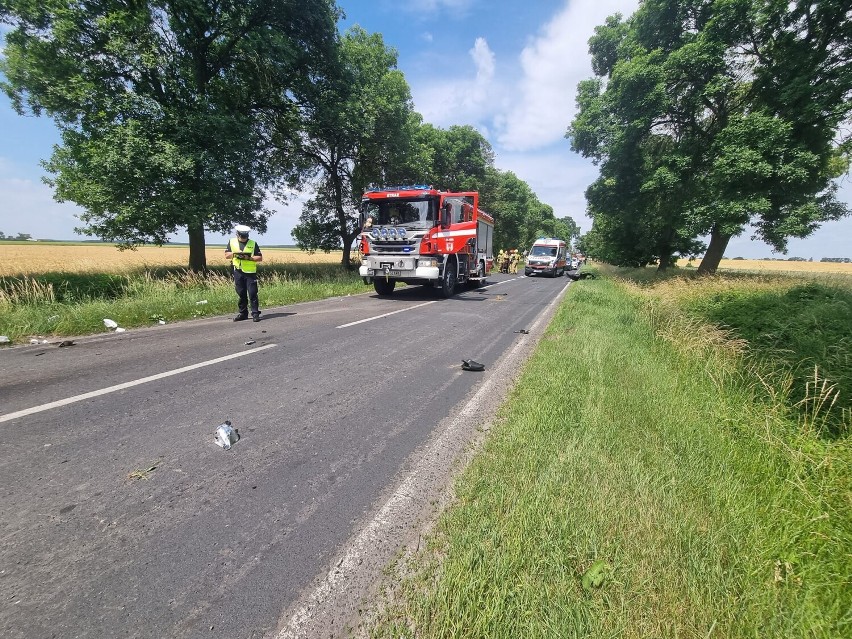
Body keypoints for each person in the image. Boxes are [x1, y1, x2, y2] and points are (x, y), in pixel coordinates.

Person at [225, 224, 263, 322]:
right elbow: (226, 255)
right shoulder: (232, 242)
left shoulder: (253, 243)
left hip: (250, 272)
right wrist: (235, 254)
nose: (243, 238)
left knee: (252, 293)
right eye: (242, 237)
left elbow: (260, 258)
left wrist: (249, 258)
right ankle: (243, 313)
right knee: (241, 293)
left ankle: (255, 313)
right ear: (237, 235)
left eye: (245, 237)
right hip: (238, 271)